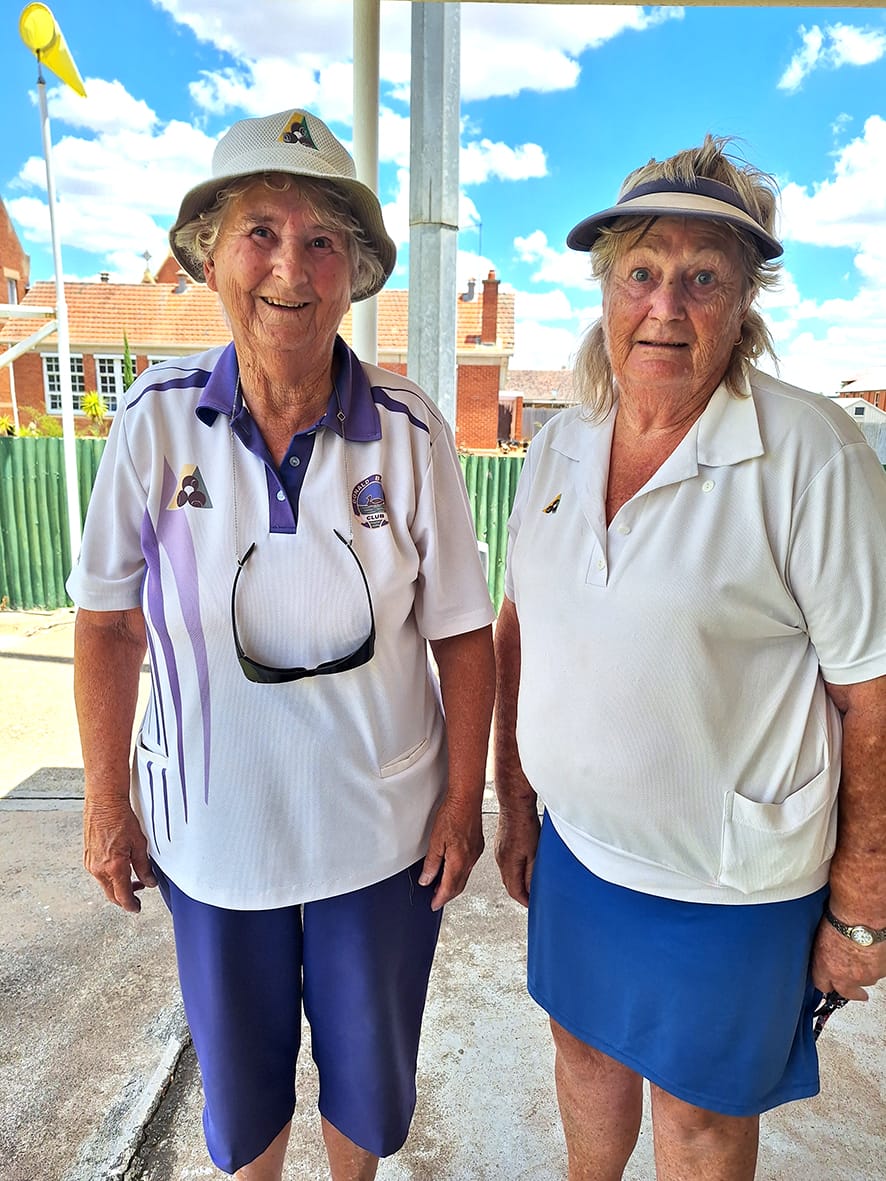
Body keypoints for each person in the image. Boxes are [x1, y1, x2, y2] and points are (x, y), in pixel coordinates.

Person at [68, 106, 496, 1181]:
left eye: (322, 241)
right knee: (242, 1086)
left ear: (355, 273)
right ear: (209, 254)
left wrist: (462, 803)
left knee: (367, 1079)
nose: (290, 268)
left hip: (381, 830)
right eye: (260, 231)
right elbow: (108, 624)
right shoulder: (154, 419)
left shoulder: (409, 427)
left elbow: (462, 631)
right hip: (214, 828)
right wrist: (106, 799)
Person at [494, 135, 886, 1180]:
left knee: (698, 1117)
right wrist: (516, 804)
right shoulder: (559, 442)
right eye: (641, 272)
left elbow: (873, 691)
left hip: (729, 882)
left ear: (745, 302)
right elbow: (520, 626)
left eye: (702, 277)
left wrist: (862, 903)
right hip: (581, 853)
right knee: (582, 1053)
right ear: (605, 289)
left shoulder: (811, 453)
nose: (665, 305)